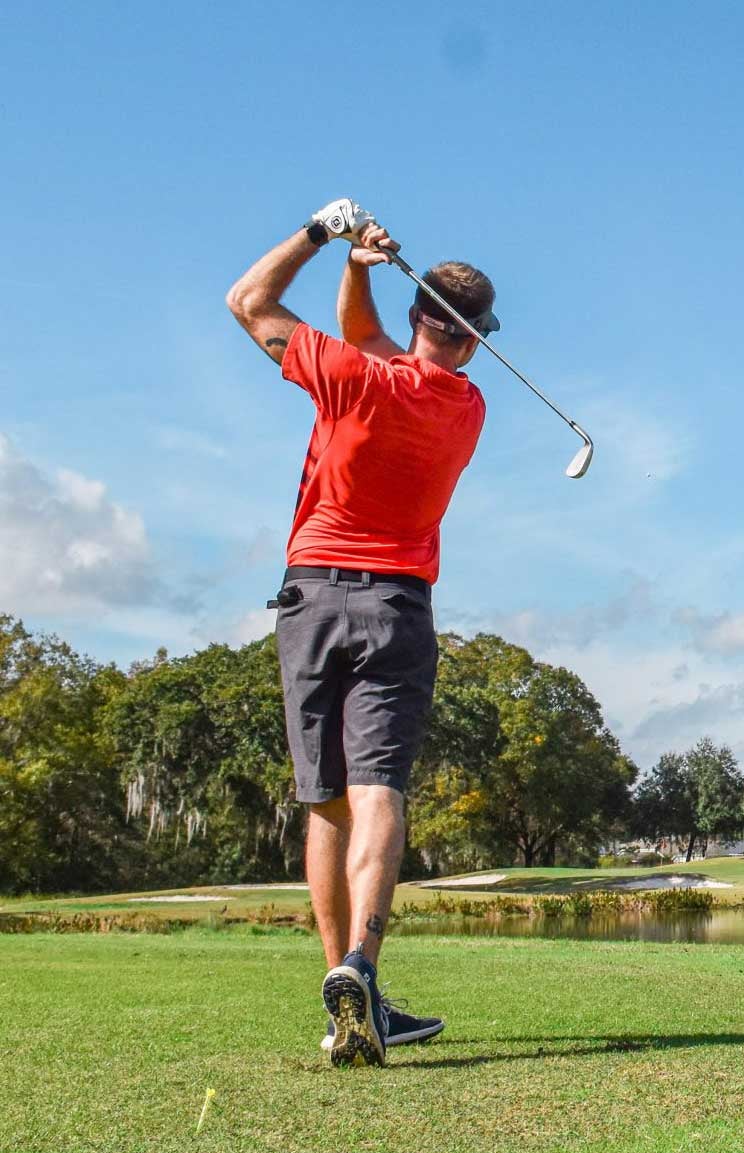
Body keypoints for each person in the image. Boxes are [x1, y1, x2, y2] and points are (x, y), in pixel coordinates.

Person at [226, 199, 495, 1067]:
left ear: (420, 318)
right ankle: (362, 974)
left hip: (308, 597)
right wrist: (359, 272)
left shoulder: (346, 375)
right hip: (396, 605)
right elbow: (380, 345)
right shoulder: (466, 408)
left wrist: (325, 238)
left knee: (325, 799)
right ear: (475, 337)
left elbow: (248, 300)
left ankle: (343, 995)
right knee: (379, 787)